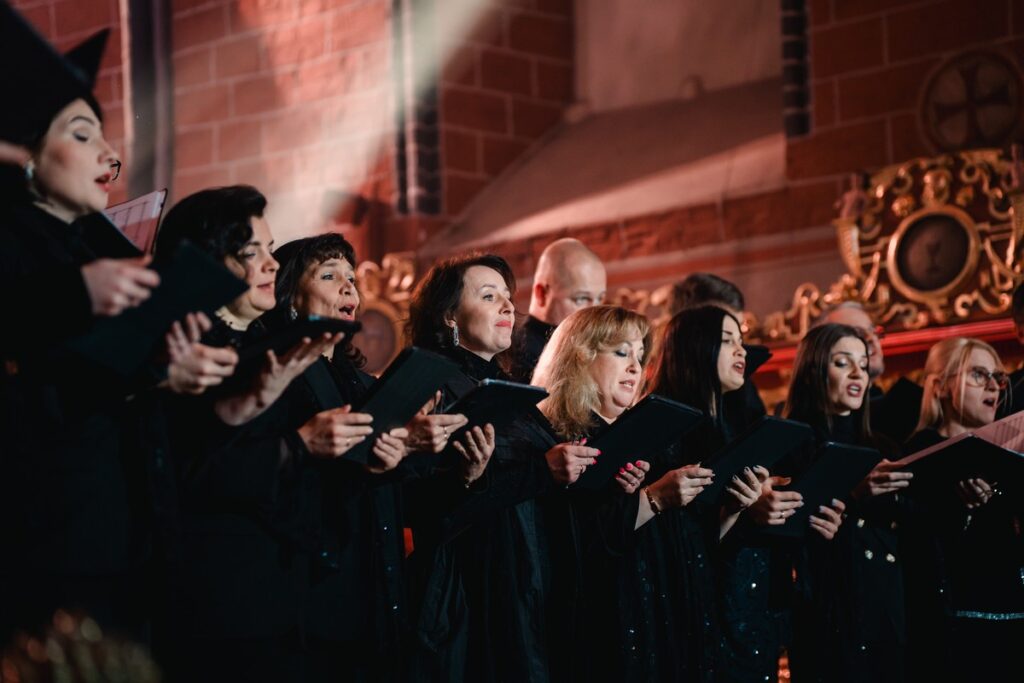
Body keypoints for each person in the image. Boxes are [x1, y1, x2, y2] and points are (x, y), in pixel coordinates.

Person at [0, 26, 233, 646]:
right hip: (46, 551)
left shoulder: (91, 249)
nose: (111, 155)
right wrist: (77, 295)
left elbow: (96, 383)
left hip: (129, 538)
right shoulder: (16, 243)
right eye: (82, 135)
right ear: (23, 152)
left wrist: (167, 366)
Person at [153, 186, 345, 682]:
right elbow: (189, 473)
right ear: (204, 262)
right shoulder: (177, 349)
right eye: (250, 251)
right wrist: (299, 444)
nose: (271, 265)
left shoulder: (269, 343)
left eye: (270, 249)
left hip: (288, 594)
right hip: (218, 601)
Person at [271, 233, 446, 681]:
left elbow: (395, 482)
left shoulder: (367, 384)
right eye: (329, 276)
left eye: (352, 277)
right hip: (316, 584)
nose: (349, 287)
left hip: (379, 577)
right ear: (290, 296)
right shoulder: (277, 375)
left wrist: (416, 447)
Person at [641, 305, 773, 682]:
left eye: (741, 341)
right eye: (728, 340)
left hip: (739, 606)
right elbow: (676, 545)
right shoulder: (663, 430)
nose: (742, 350)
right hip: (690, 612)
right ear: (696, 347)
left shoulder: (734, 426)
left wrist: (741, 506)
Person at [783, 323, 909, 683]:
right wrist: (853, 495)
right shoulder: (791, 446)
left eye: (863, 364)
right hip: (827, 610)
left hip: (885, 605)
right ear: (814, 370)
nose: (858, 373)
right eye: (843, 363)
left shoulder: (884, 447)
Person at [903, 337, 1023, 682]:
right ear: (941, 386)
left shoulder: (1008, 453)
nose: (993, 386)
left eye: (998, 377)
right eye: (978, 374)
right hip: (955, 631)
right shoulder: (919, 454)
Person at [668, 273, 768, 435]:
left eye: (738, 334)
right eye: (725, 337)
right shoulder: (665, 413)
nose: (742, 350)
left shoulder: (742, 387)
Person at [509, 238, 606, 382]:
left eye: (600, 299)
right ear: (542, 293)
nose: (595, 312)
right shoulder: (518, 356)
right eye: (581, 299)